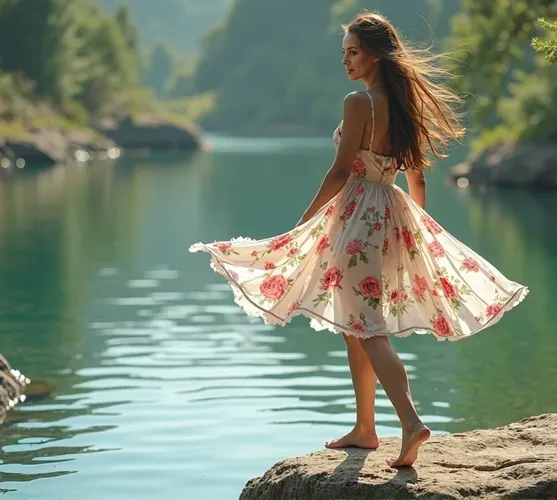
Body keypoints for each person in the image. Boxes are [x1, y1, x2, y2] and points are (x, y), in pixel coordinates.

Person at [189, 11, 528, 468]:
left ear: (374, 55)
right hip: (391, 216)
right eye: (344, 53)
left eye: (352, 52)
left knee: (368, 330)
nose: (345, 61)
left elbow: (342, 169)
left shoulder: (359, 102)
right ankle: (366, 428)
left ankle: (410, 422)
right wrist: (416, 232)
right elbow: (418, 179)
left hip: (357, 218)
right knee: (356, 324)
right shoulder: (404, 106)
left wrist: (302, 224)